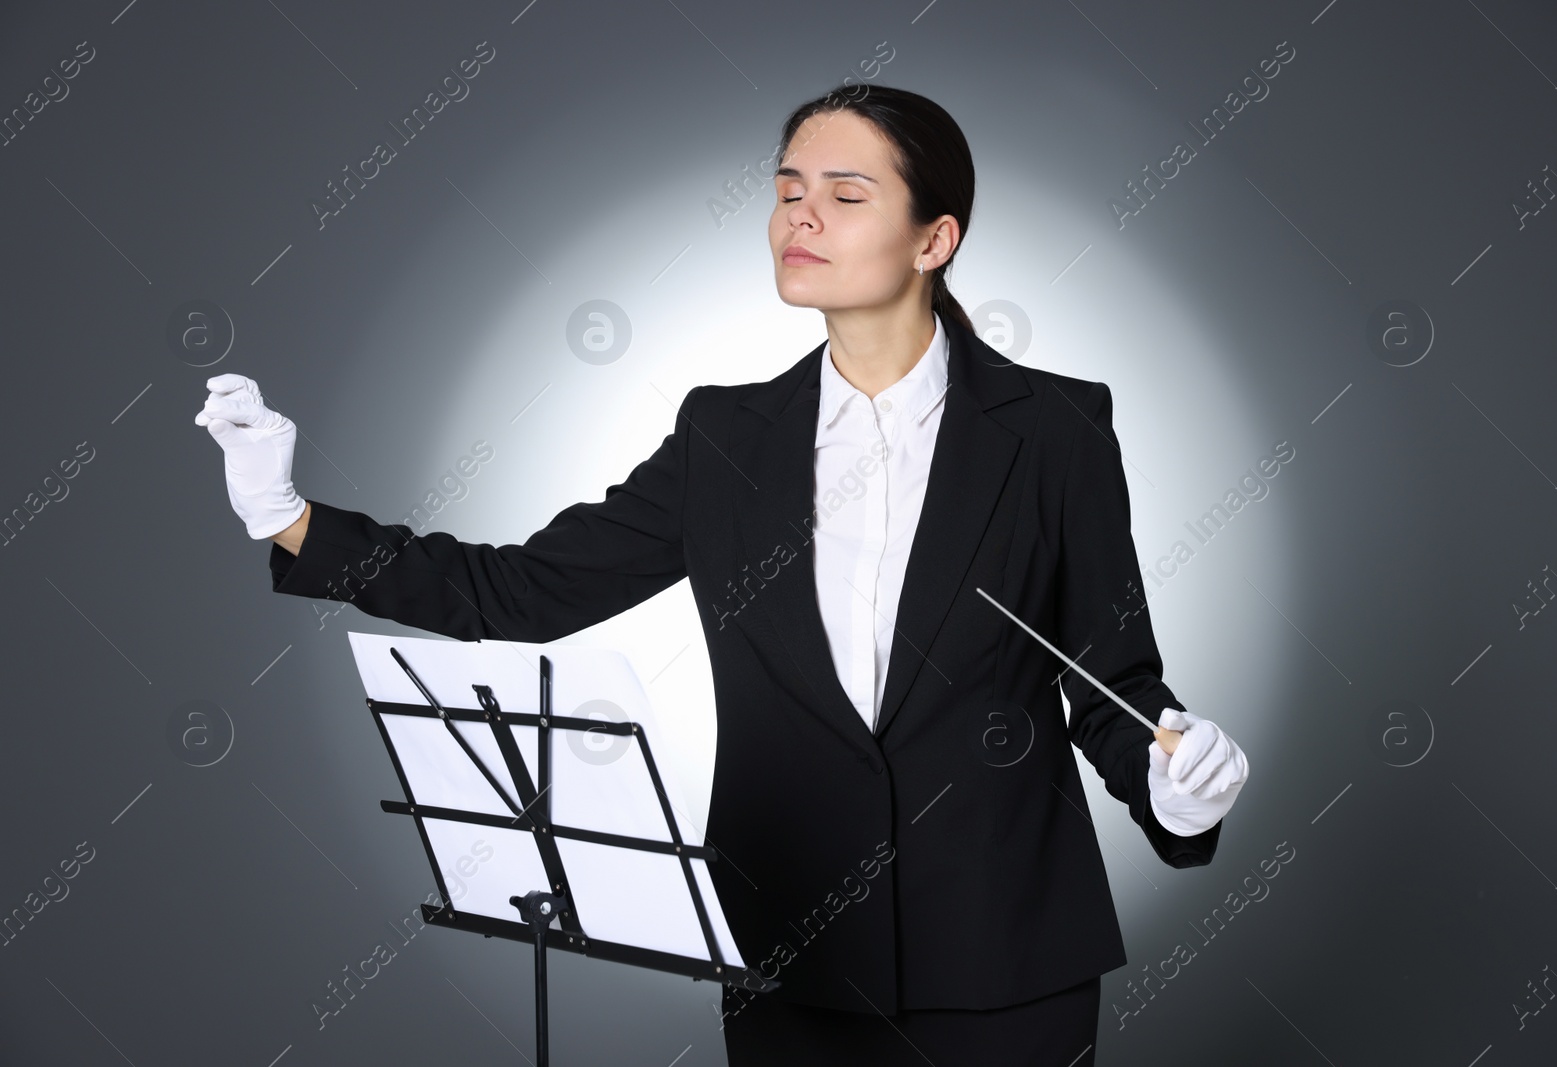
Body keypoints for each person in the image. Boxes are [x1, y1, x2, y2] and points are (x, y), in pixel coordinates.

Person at [197, 84, 1248, 1066]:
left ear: (935, 239)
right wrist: (287, 517)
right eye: (787, 189)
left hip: (1009, 960)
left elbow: (1110, 676)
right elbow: (519, 591)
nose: (800, 215)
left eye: (843, 194)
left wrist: (1175, 790)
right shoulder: (723, 435)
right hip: (789, 952)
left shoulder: (1057, 426)